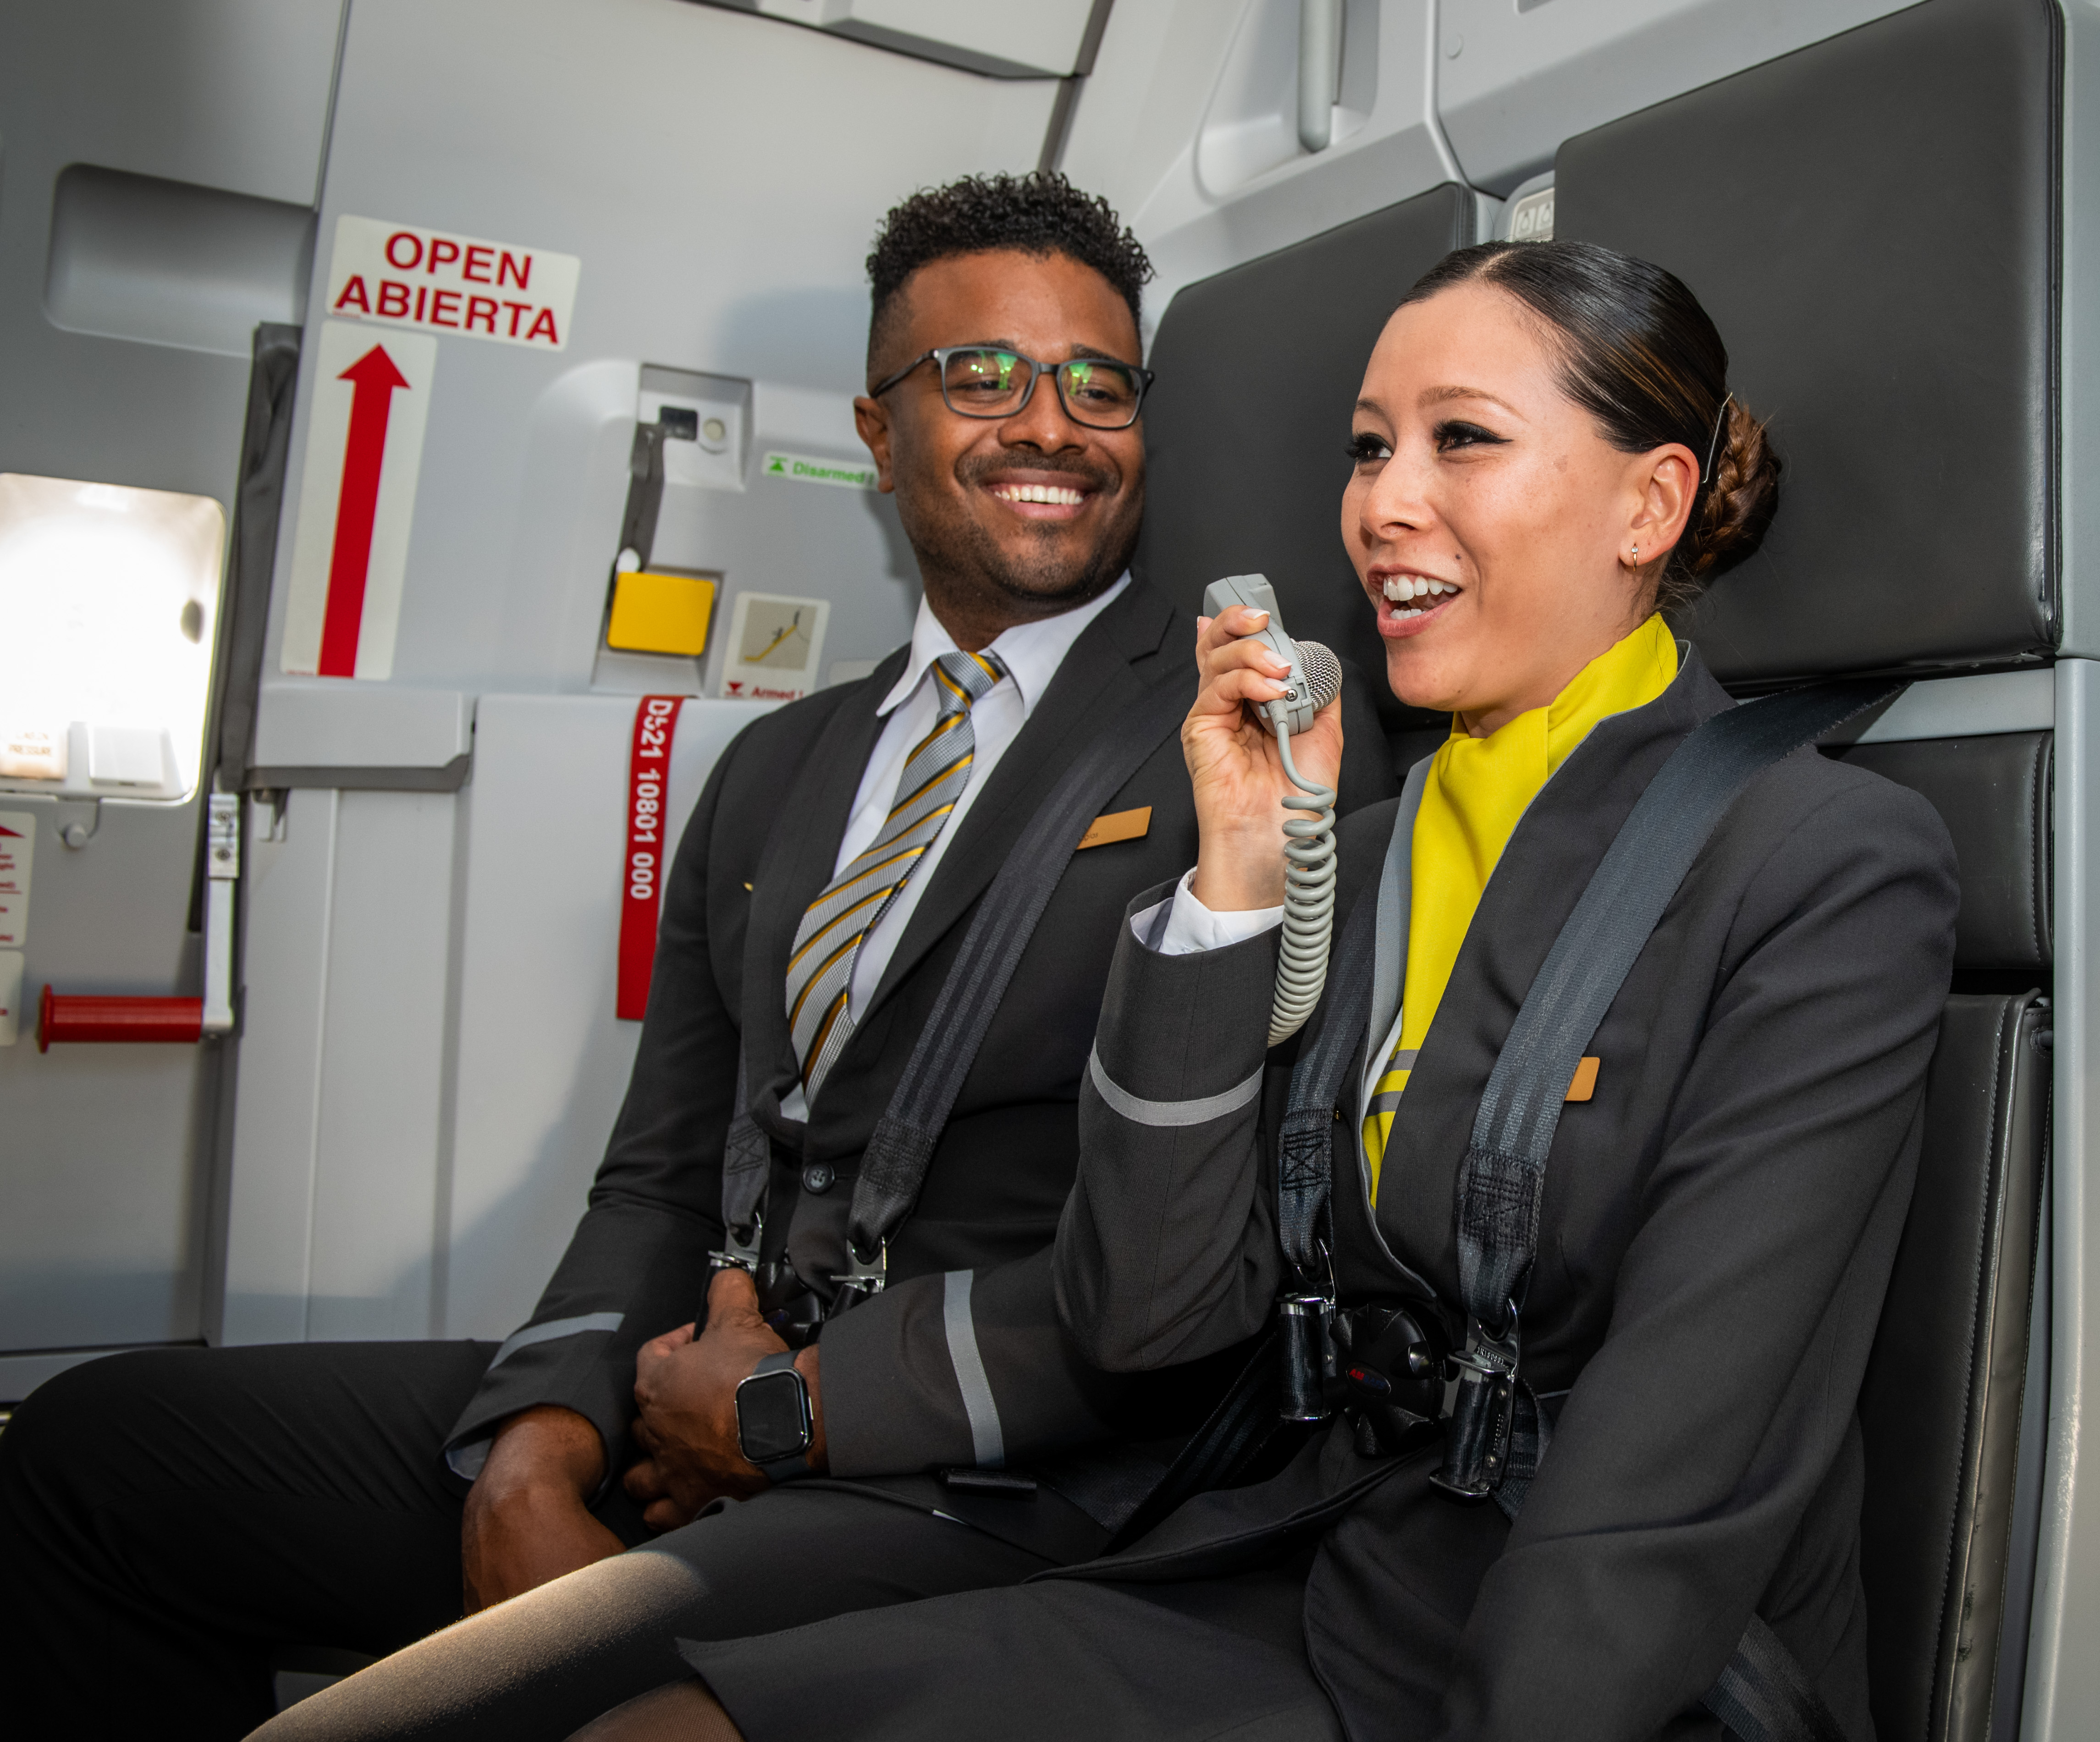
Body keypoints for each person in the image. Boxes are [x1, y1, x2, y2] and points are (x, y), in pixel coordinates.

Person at [0, 170, 1390, 1739]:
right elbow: (660, 1170)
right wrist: (542, 1443)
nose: (1050, 427)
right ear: (877, 430)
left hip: (978, 1471)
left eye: (1098, 385)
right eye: (982, 375)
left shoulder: (1242, 747)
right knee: (97, 1453)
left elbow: (1209, 1249)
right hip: (697, 1388)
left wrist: (786, 1418)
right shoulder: (776, 769)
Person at [564, 239, 1963, 1742]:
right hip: (1282, 1568)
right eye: (1369, 449)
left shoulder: (1822, 862)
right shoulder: (1356, 857)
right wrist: (1232, 880)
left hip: (1579, 1653)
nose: (1382, 505)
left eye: (1462, 440)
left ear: (1650, 504)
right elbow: (1150, 1319)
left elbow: (1684, 1467)